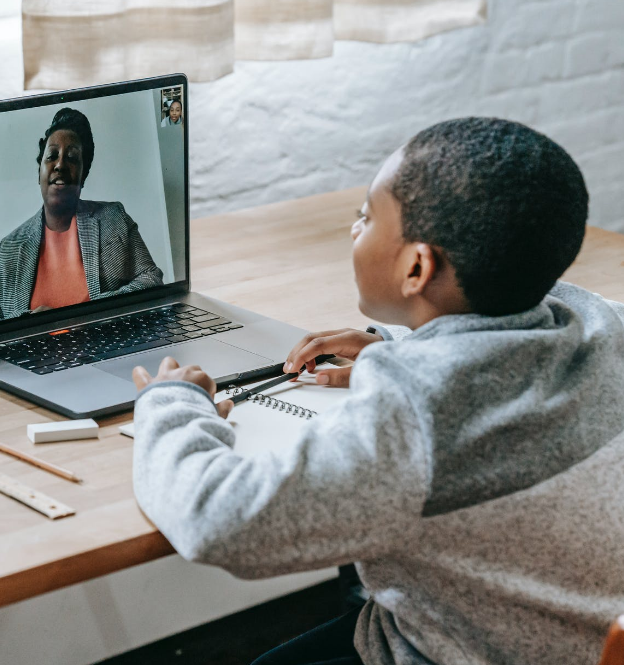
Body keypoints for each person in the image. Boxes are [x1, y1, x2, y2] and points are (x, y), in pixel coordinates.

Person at [130, 117, 624, 664]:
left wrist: (172, 403)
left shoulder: (418, 416)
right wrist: (398, 346)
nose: (353, 228)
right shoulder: (598, 321)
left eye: (365, 217)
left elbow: (215, 521)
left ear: (417, 267)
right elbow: (490, 357)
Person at [0, 108, 164, 325]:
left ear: (83, 176)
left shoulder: (114, 218)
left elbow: (151, 278)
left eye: (72, 158)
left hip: (103, 348)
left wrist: (83, 312)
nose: (60, 164)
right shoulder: (8, 248)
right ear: (40, 173)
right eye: (52, 156)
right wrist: (28, 324)